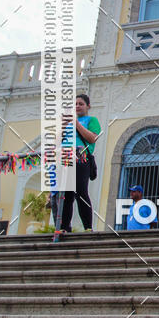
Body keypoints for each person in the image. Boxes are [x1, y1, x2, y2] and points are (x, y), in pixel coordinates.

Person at [57, 94, 101, 234]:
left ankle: (87, 227)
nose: (77, 106)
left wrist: (76, 124)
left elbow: (92, 138)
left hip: (81, 158)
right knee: (66, 194)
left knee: (81, 192)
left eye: (81, 104)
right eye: (75, 104)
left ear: (88, 106)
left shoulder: (91, 120)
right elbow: (57, 141)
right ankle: (64, 227)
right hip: (65, 159)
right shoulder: (68, 123)